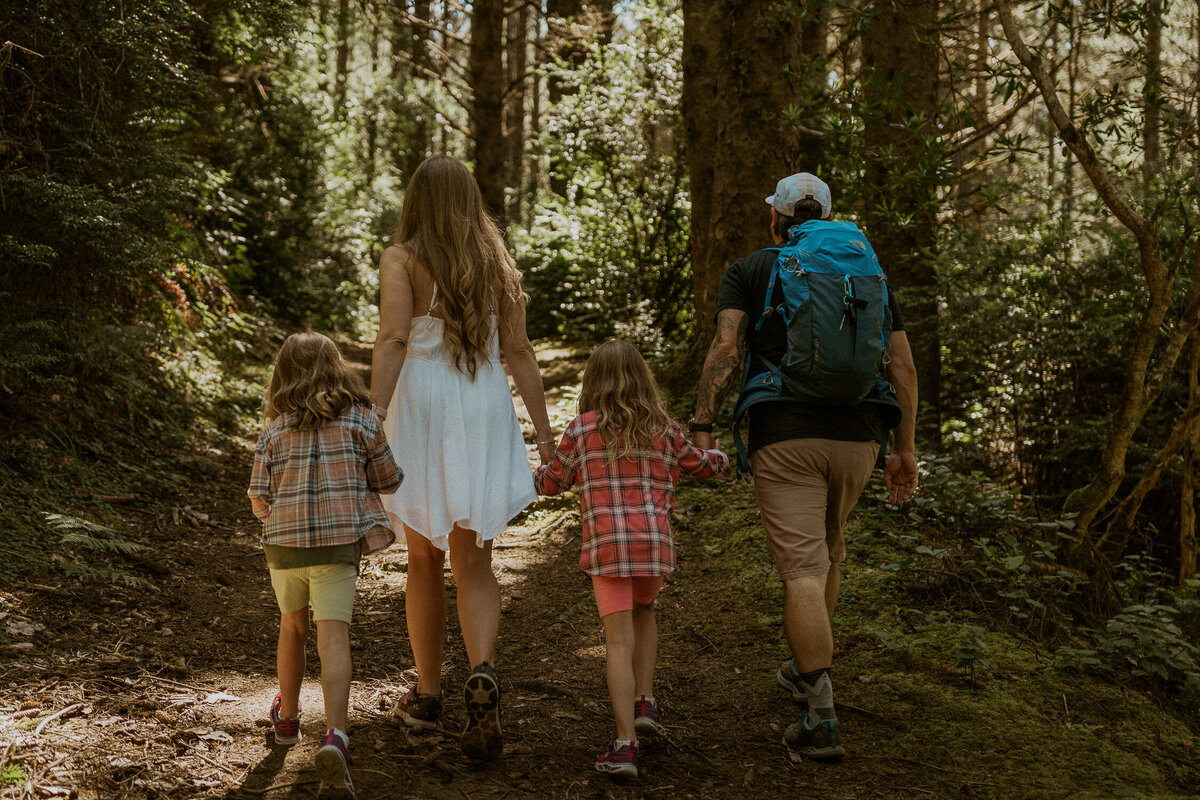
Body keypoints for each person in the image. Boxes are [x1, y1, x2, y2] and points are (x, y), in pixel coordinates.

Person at [690, 172, 919, 761]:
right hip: (861, 435)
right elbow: (901, 365)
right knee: (828, 550)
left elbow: (726, 348)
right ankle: (801, 669)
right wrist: (904, 449)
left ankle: (821, 714)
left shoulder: (752, 269)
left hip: (785, 432)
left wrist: (703, 423)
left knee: (801, 572)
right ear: (825, 216)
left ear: (778, 218)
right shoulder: (864, 268)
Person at [370, 155, 555, 762]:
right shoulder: (494, 262)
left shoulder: (401, 258)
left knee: (422, 557)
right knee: (474, 558)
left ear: (416, 200)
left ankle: (427, 696)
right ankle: (482, 670)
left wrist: (370, 420)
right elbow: (520, 350)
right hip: (479, 401)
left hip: (422, 403)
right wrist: (545, 436)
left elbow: (395, 338)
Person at [534, 340, 731, 778]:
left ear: (592, 382)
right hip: (652, 546)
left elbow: (550, 483)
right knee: (646, 611)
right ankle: (646, 701)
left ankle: (625, 745)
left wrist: (526, 473)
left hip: (606, 549)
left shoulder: (581, 430)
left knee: (617, 642)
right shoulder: (663, 427)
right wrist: (721, 457)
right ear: (643, 378)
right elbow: (701, 464)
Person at [248, 332, 404, 796]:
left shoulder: (274, 430)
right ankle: (336, 735)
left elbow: (258, 495)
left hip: (284, 547)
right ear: (337, 369)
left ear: (283, 376)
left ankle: (289, 719)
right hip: (337, 546)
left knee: (292, 627)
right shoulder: (360, 420)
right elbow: (389, 479)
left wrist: (274, 516)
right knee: (333, 636)